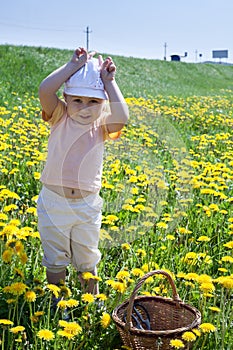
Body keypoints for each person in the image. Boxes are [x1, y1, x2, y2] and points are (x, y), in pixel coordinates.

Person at [37, 47, 129, 294]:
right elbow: (45, 90)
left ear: (103, 103)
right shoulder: (59, 116)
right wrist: (70, 68)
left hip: (87, 206)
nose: (84, 107)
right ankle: (58, 303)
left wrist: (109, 82)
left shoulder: (102, 124)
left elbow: (123, 115)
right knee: (55, 259)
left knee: (88, 259)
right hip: (54, 203)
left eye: (93, 101)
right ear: (66, 98)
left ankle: (92, 305)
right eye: (77, 99)